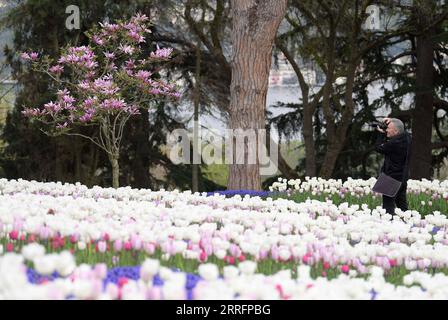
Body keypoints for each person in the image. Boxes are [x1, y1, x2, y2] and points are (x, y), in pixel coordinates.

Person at [375, 117, 412, 215]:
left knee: (388, 208)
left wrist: (380, 134)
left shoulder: (395, 143)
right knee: (402, 207)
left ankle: (389, 227)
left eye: (388, 128)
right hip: (402, 178)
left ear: (396, 131)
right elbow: (401, 127)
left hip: (391, 178)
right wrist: (391, 120)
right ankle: (409, 226)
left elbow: (378, 148)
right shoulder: (406, 138)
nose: (386, 130)